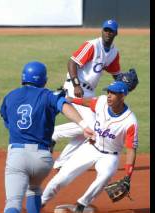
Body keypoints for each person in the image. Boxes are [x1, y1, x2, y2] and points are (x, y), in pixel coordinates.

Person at [0, 61, 94, 213]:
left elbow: (8, 122)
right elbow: (65, 106)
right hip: (42, 159)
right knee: (34, 190)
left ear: (23, 77)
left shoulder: (10, 96)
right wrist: (83, 125)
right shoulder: (48, 95)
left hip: (18, 156)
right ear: (44, 80)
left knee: (13, 200)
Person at [41, 81, 138, 213]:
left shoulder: (130, 122)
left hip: (110, 156)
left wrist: (128, 176)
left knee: (105, 176)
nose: (109, 96)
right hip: (90, 147)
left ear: (122, 96)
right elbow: (86, 102)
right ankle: (40, 202)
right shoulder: (102, 101)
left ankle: (81, 205)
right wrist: (69, 99)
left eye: (113, 93)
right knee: (62, 176)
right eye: (108, 92)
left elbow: (131, 149)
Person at [51, 19, 123, 170]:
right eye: (106, 30)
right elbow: (72, 62)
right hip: (75, 87)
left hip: (89, 92)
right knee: (93, 127)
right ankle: (54, 134)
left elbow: (116, 75)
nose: (108, 33)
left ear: (116, 33)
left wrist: (126, 84)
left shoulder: (113, 53)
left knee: (88, 130)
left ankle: (62, 161)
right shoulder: (92, 45)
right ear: (102, 31)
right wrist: (76, 84)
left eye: (111, 31)